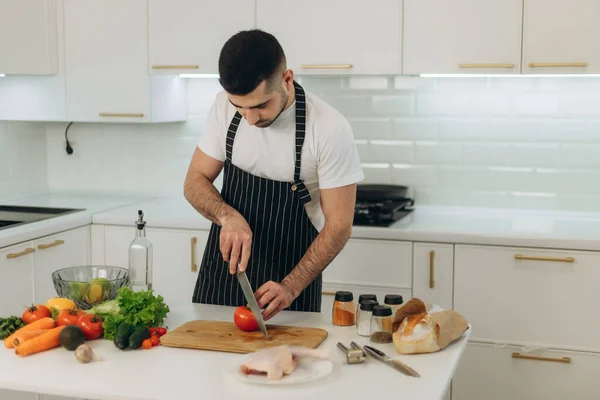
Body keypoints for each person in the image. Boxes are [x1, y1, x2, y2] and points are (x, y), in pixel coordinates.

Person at [183, 29, 364, 321]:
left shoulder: (329, 129)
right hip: (221, 278)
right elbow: (194, 181)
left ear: (287, 79)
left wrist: (290, 287)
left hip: (290, 285)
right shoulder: (221, 107)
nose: (250, 120)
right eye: (239, 107)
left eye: (260, 105)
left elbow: (339, 225)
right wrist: (227, 216)